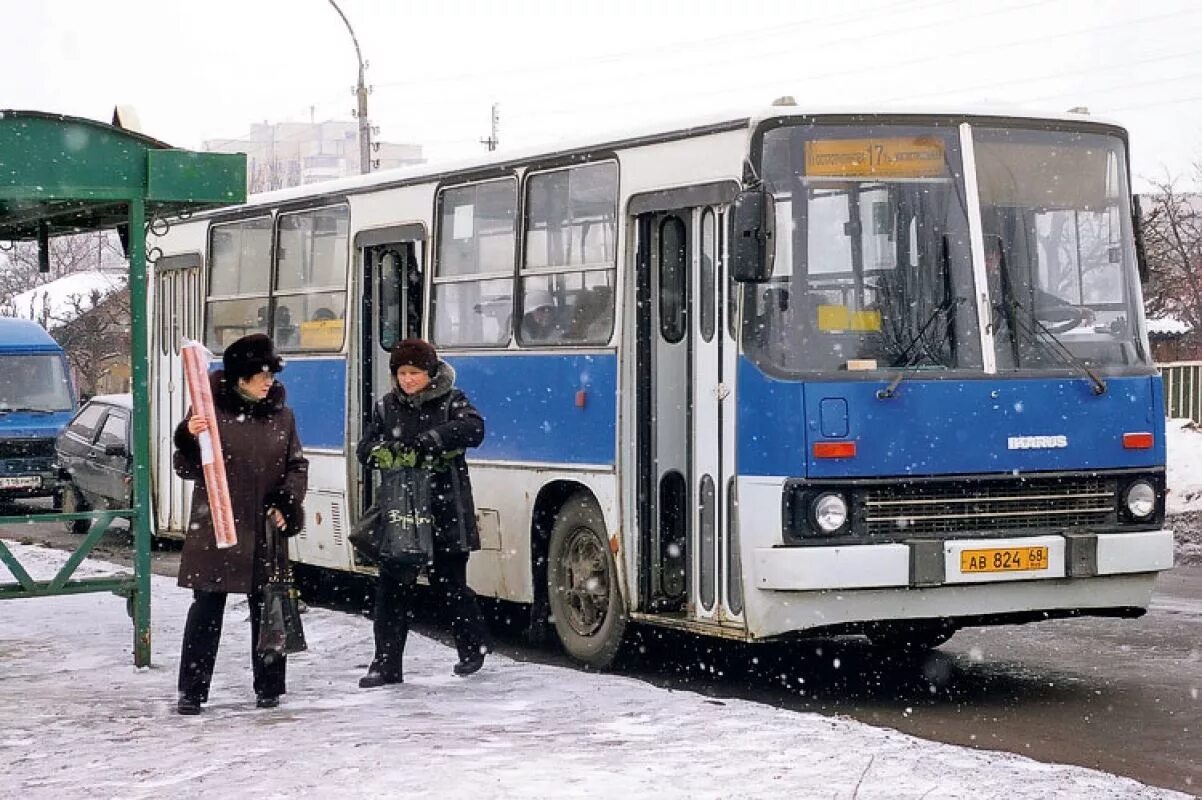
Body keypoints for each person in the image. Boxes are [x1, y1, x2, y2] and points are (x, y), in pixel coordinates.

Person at [172, 333, 308, 715]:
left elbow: (297, 465)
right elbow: (185, 468)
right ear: (240, 377)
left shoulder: (283, 415)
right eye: (262, 375)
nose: (269, 382)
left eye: (271, 375)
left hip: (264, 529)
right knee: (207, 609)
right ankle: (192, 691)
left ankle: (269, 687)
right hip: (217, 525)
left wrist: (287, 501)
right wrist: (188, 438)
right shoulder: (207, 410)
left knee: (269, 608)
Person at [356, 338, 491, 686]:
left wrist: (432, 440)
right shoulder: (387, 407)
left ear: (430, 373)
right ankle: (385, 665)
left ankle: (472, 647)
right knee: (392, 588)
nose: (408, 380)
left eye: (414, 373)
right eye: (402, 373)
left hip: (445, 507)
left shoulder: (452, 400)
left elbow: (474, 429)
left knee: (449, 583)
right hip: (401, 511)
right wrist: (387, 451)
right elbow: (366, 449)